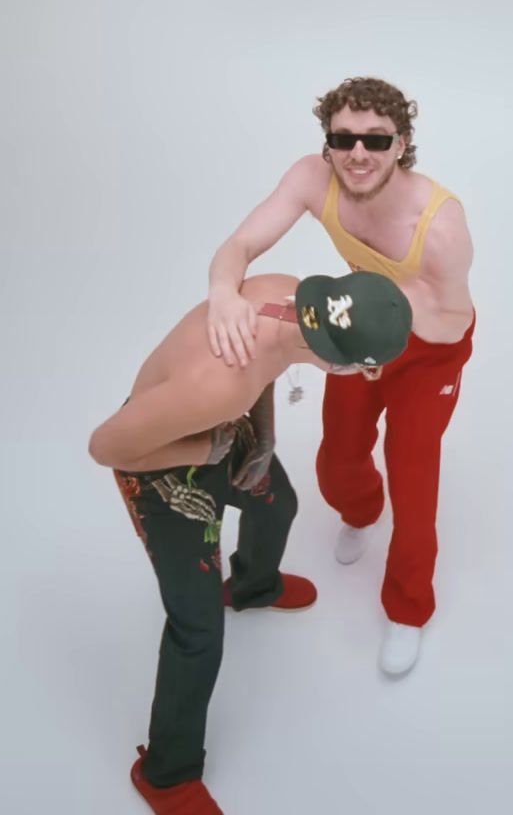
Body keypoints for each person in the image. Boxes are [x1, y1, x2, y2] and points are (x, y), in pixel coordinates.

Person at [89, 270, 412, 814]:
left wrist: (262, 435)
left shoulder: (283, 297)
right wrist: (206, 450)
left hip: (215, 426)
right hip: (159, 462)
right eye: (368, 368)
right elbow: (108, 447)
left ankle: (253, 586)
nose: (368, 375)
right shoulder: (219, 386)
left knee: (276, 502)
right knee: (197, 631)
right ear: (340, 361)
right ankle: (166, 775)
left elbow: (269, 363)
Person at [206, 77, 475, 676]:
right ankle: (359, 512)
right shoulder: (311, 177)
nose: (358, 154)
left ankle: (408, 611)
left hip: (431, 347)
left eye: (375, 141)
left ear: (400, 144)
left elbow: (454, 319)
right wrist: (224, 293)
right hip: (357, 326)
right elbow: (242, 241)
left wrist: (379, 328)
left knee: (414, 481)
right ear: (327, 144)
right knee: (337, 459)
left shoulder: (442, 224)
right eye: (343, 139)